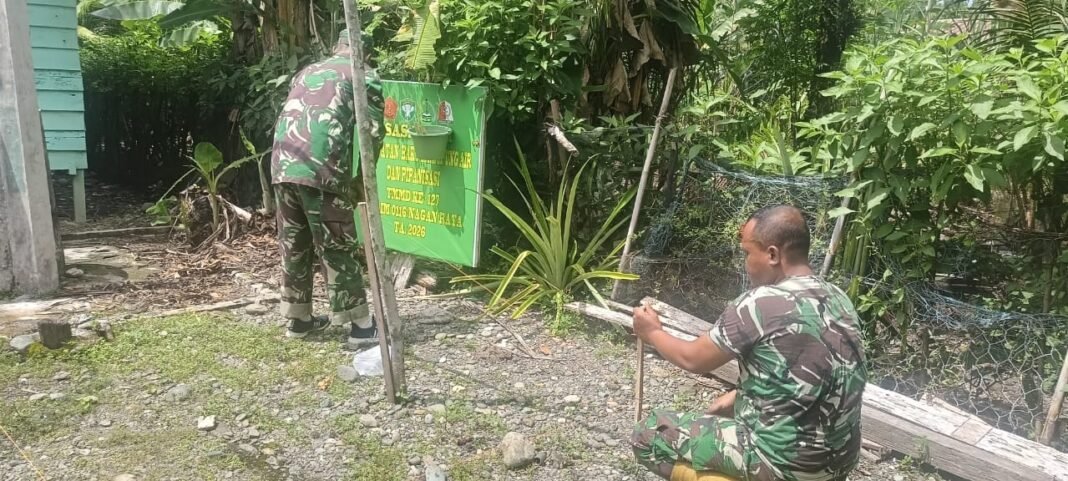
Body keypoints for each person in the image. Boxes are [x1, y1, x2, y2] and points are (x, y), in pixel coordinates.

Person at [630, 205, 867, 481]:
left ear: (772, 255)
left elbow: (692, 358)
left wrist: (652, 332)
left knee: (648, 435)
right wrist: (735, 397)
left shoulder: (760, 303)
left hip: (784, 468)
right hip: (837, 466)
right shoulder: (839, 299)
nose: (745, 263)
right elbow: (805, 374)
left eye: (746, 253)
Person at [270, 28, 384, 347]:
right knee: (336, 242)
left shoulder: (309, 70)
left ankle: (299, 319)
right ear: (366, 53)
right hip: (321, 168)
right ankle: (361, 326)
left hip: (283, 163)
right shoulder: (364, 76)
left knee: (294, 242)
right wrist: (363, 180)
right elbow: (372, 133)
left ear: (337, 47)